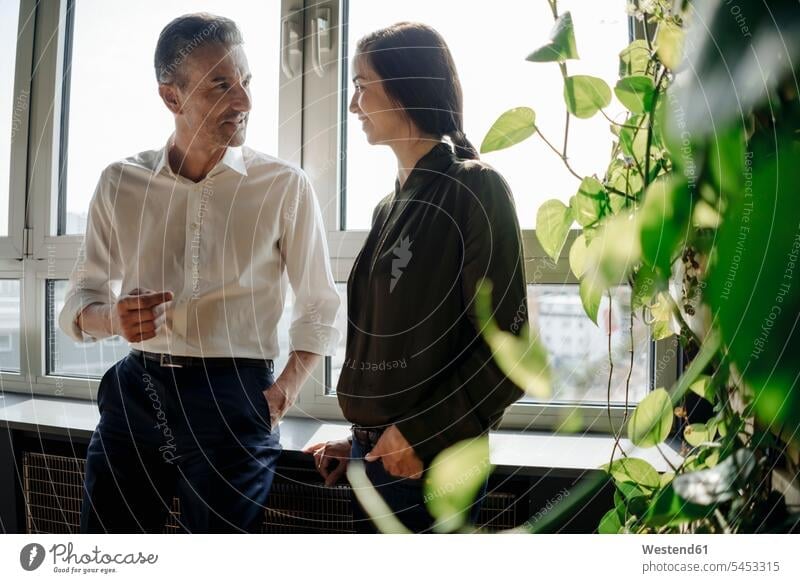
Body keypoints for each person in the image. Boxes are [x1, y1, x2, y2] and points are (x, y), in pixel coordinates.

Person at [59, 13, 340, 533]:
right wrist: (114, 321)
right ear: (171, 98)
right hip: (134, 395)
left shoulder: (284, 186)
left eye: (247, 82)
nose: (245, 102)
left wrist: (283, 392)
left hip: (235, 400)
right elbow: (80, 298)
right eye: (220, 85)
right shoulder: (119, 182)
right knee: (102, 553)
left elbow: (320, 304)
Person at [304, 22, 526, 533]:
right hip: (379, 459)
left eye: (361, 86)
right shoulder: (389, 207)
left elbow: (508, 347)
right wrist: (363, 439)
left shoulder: (477, 189)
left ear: (405, 86)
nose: (353, 105)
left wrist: (419, 436)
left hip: (429, 465)